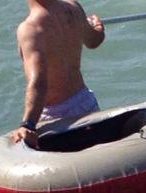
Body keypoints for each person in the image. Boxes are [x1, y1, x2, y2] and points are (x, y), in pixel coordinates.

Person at [13, 0, 105, 148]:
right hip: (86, 102)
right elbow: (94, 41)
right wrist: (98, 27)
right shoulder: (73, 7)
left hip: (56, 117)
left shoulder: (30, 29)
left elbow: (39, 82)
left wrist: (28, 124)